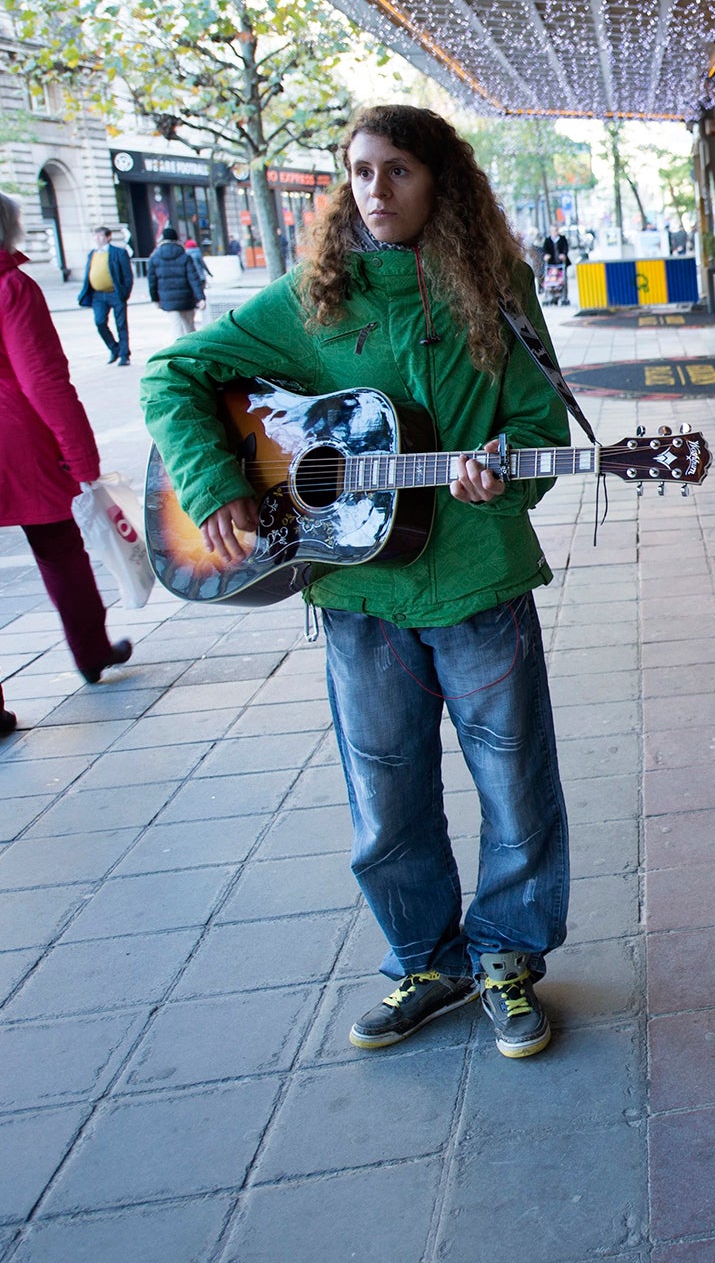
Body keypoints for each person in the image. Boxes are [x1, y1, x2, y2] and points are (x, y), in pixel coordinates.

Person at [140, 105, 574, 1060]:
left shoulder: (496, 285)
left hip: (477, 578)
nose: (376, 191)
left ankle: (506, 957)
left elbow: (540, 424)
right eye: (361, 172)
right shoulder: (314, 298)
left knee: (514, 782)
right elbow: (173, 371)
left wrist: (507, 466)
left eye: (399, 172)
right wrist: (216, 483)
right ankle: (427, 959)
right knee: (385, 794)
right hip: (358, 595)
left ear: (442, 181)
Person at [0, 193, 134, 738]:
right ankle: (90, 649)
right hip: (18, 444)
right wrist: (82, 460)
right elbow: (43, 381)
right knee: (60, 550)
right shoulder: (11, 286)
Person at [78, 225, 133, 365]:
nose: (97, 239)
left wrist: (124, 293)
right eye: (95, 236)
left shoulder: (118, 253)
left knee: (121, 324)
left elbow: (127, 275)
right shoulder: (92, 254)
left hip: (115, 293)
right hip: (98, 295)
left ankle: (124, 355)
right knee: (100, 322)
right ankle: (115, 348)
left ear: (108, 237)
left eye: (100, 236)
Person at [147, 227, 208, 335]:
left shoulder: (154, 257)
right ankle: (192, 350)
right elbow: (194, 278)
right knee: (190, 328)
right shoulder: (185, 256)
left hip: (168, 299)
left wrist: (155, 299)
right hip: (186, 299)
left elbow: (152, 281)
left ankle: (179, 350)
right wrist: (201, 297)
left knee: (176, 328)